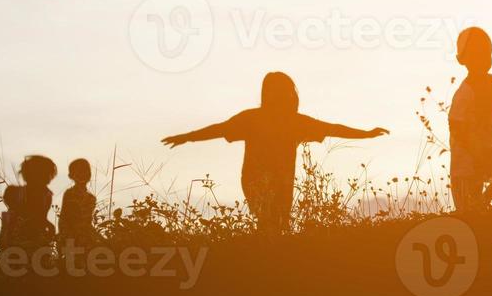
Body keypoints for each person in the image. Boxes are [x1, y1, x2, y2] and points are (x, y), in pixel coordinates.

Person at [161, 72, 387, 236]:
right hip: (258, 180)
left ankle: (270, 266)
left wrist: (366, 134)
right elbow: (220, 129)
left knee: (275, 226)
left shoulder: (289, 121)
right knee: (272, 225)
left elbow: (332, 128)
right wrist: (187, 136)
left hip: (278, 182)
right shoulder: (256, 119)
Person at [449, 27, 492, 213]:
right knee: (467, 213)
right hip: (466, 161)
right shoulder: (464, 94)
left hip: (488, 150)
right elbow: (456, 127)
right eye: (475, 56)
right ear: (462, 60)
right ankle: (477, 206)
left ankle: (482, 203)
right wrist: (474, 154)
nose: (482, 60)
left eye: (486, 54)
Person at [0, 155, 58, 255]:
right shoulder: (17, 192)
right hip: (19, 236)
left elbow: (41, 217)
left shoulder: (46, 194)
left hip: (35, 236)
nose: (48, 178)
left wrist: (48, 227)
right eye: (45, 174)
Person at [58, 158, 97, 247]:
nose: (83, 174)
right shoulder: (69, 194)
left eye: (86, 171)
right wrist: (64, 236)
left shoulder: (91, 198)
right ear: (71, 175)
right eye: (79, 171)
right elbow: (64, 217)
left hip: (86, 237)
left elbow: (88, 221)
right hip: (70, 235)